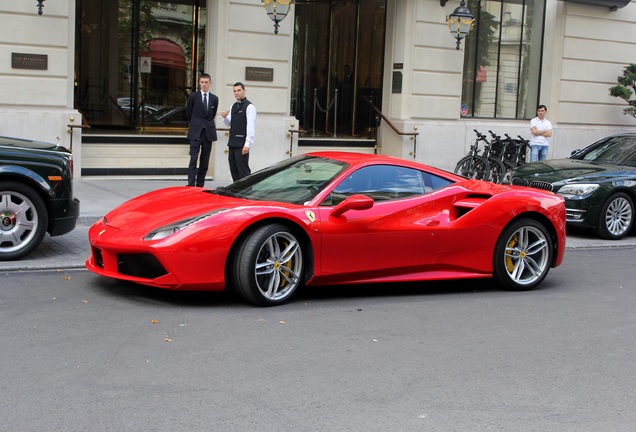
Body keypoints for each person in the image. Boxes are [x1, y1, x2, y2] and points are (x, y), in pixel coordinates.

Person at [185, 73, 218, 187]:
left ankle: (200, 185)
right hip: (195, 131)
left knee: (205, 161)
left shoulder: (214, 99)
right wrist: (196, 123)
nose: (204, 84)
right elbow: (188, 112)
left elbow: (212, 114)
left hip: (208, 133)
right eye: (202, 82)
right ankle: (190, 184)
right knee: (193, 159)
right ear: (199, 83)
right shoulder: (193, 97)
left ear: (210, 83)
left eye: (206, 82)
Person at [221, 82, 256, 181]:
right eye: (235, 91)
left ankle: (247, 192)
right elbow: (229, 123)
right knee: (234, 169)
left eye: (239, 90)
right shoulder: (233, 106)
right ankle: (236, 193)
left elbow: (251, 127)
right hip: (232, 142)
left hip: (242, 144)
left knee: (243, 171)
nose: (236, 93)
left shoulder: (250, 107)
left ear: (244, 90)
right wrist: (224, 117)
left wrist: (247, 144)